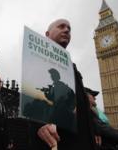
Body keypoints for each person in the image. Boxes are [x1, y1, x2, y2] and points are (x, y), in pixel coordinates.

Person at [37, 19, 97, 150]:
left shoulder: (73, 67)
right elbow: (34, 96)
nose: (66, 30)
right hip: (60, 141)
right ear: (47, 34)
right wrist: (39, 125)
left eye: (69, 29)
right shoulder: (38, 59)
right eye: (61, 27)